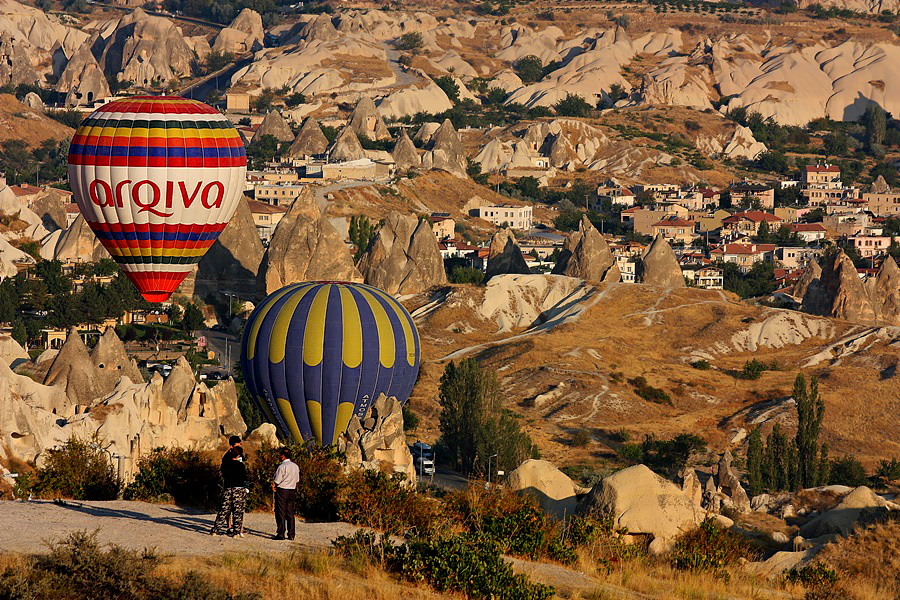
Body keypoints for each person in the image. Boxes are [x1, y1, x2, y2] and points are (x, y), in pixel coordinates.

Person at [211, 446, 249, 537]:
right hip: (239, 489)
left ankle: (215, 530)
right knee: (238, 510)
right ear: (239, 455)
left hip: (228, 488)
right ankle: (236, 531)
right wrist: (247, 487)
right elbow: (245, 478)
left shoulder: (226, 465)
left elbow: (223, 475)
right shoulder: (240, 465)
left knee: (224, 509)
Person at [272, 447, 299, 540]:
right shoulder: (295, 466)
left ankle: (281, 533)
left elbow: (277, 480)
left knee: (281, 512)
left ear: (283, 456)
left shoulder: (282, 466)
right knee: (290, 513)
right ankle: (291, 534)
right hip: (292, 490)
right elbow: (297, 480)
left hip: (282, 490)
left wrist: (274, 486)